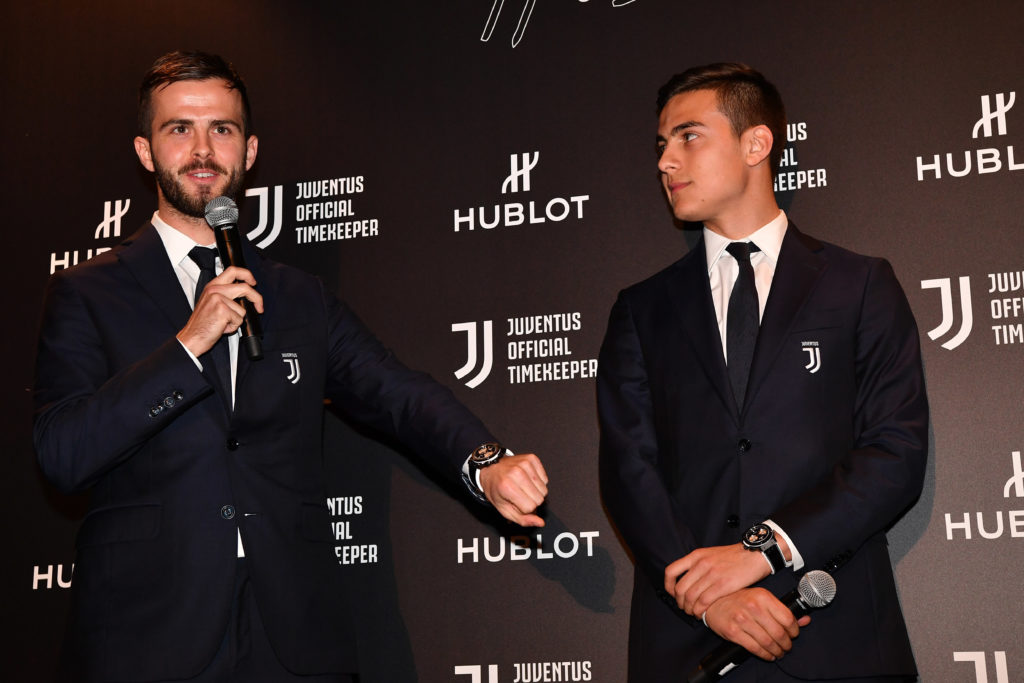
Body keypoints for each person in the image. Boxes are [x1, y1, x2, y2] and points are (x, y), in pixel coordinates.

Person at [33, 50, 549, 683]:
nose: (202, 149)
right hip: (145, 632)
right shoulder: (87, 292)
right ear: (145, 151)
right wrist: (187, 346)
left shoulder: (299, 296)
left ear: (250, 151)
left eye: (222, 129)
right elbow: (63, 453)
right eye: (179, 129)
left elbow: (396, 392)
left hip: (293, 634)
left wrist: (485, 460)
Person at [597, 63, 928, 682]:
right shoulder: (641, 310)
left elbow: (895, 452)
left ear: (756, 144)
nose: (666, 161)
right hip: (690, 645)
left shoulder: (859, 285)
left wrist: (765, 550)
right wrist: (710, 597)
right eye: (662, 144)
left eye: (689, 136)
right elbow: (628, 470)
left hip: (836, 635)